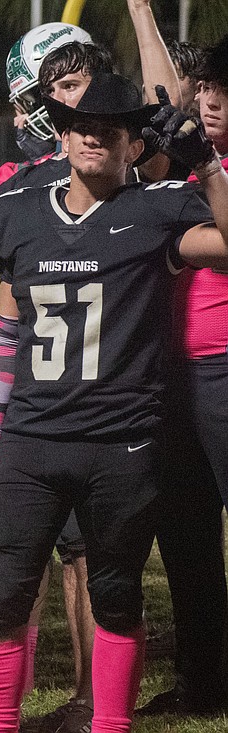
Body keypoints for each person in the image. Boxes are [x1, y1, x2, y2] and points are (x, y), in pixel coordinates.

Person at [0, 71, 228, 733]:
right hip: (31, 438)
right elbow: (6, 321)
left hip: (122, 441)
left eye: (111, 128)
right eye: (83, 124)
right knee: (0, 598)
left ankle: (110, 726)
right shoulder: (16, 212)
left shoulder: (159, 209)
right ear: (62, 131)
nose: (94, 135)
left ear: (132, 146)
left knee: (116, 596)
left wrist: (208, 167)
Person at [139, 35, 228, 717]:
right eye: (208, 90)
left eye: (226, 93)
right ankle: (204, 679)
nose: (212, 101)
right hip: (172, 373)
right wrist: (141, 8)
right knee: (186, 537)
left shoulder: (207, 168)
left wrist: (209, 171)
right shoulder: (183, 158)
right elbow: (162, 100)